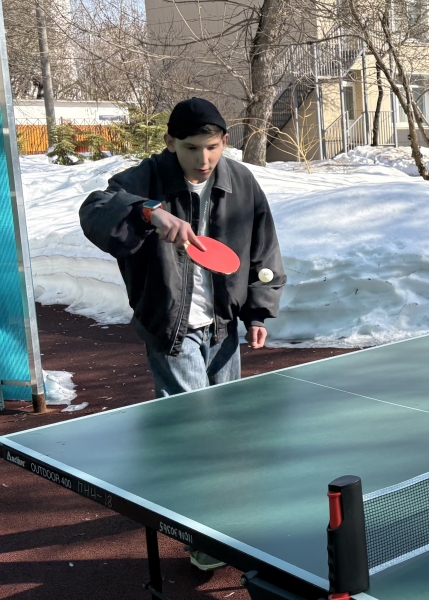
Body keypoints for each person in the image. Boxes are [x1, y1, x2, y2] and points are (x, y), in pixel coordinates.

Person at [79, 98, 286, 570]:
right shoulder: (146, 178)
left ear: (225, 142)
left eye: (212, 147)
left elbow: (264, 250)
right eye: (192, 148)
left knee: (224, 428)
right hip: (171, 324)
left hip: (223, 326)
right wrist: (149, 213)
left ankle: (208, 506)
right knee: (198, 431)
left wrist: (258, 313)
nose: (203, 159)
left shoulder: (241, 182)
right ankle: (205, 533)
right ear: (170, 142)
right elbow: (96, 211)